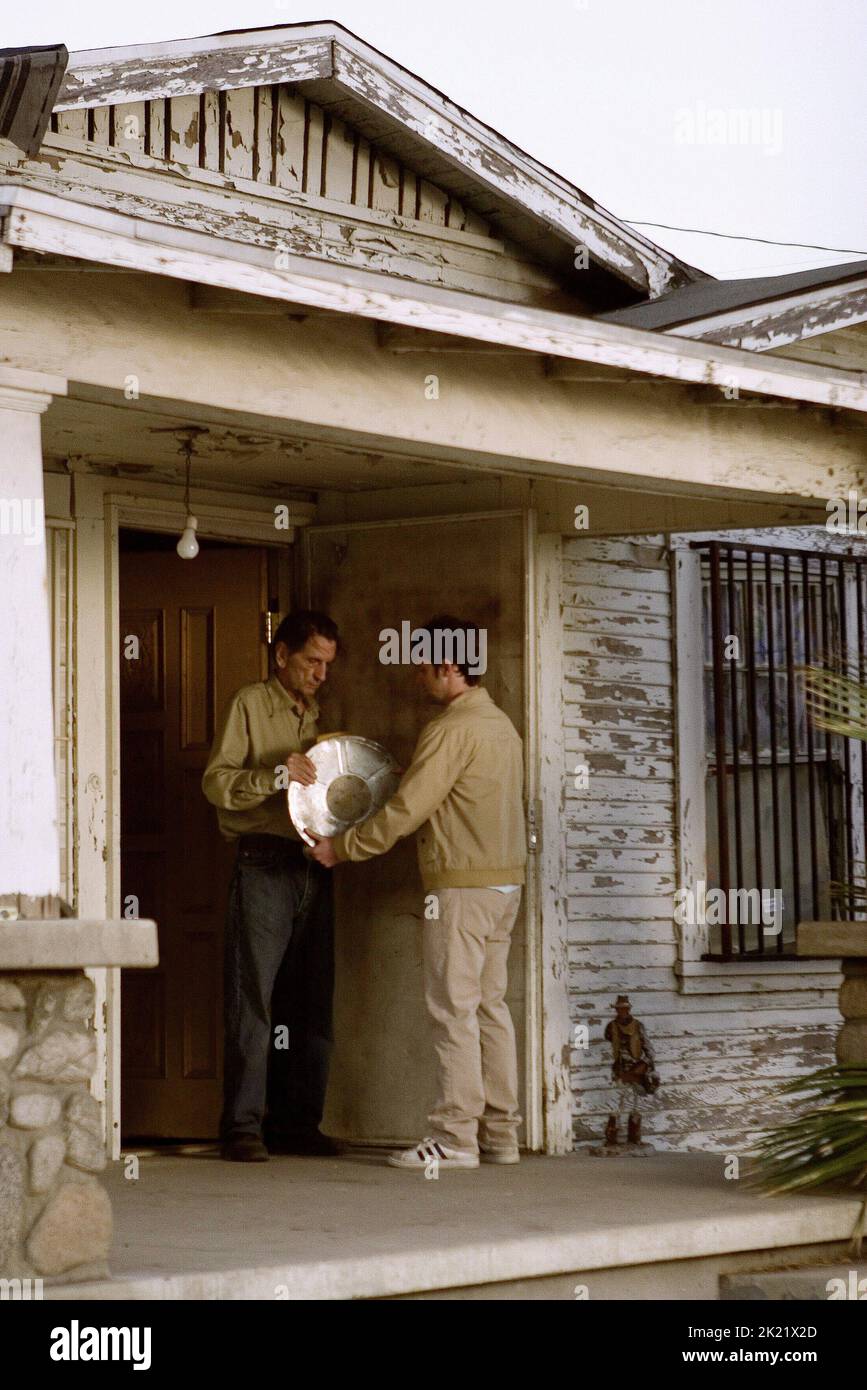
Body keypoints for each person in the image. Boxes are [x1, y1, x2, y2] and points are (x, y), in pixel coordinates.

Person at [307, 614, 527, 1170]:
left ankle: (455, 1139)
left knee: (452, 1009)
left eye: (423, 665)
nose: (417, 677)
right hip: (504, 886)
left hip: (460, 889)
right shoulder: (500, 724)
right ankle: (500, 1135)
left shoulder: (452, 729)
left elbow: (406, 811)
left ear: (448, 665)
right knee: (489, 1008)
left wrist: (343, 848)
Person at [202, 610, 339, 1162]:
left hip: (315, 863)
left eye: (327, 664)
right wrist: (274, 777)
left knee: (311, 998)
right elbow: (216, 782)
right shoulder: (248, 705)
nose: (320, 674)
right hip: (263, 859)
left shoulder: (320, 714)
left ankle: (298, 1123)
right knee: (253, 997)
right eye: (311, 661)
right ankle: (241, 1128)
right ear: (281, 655)